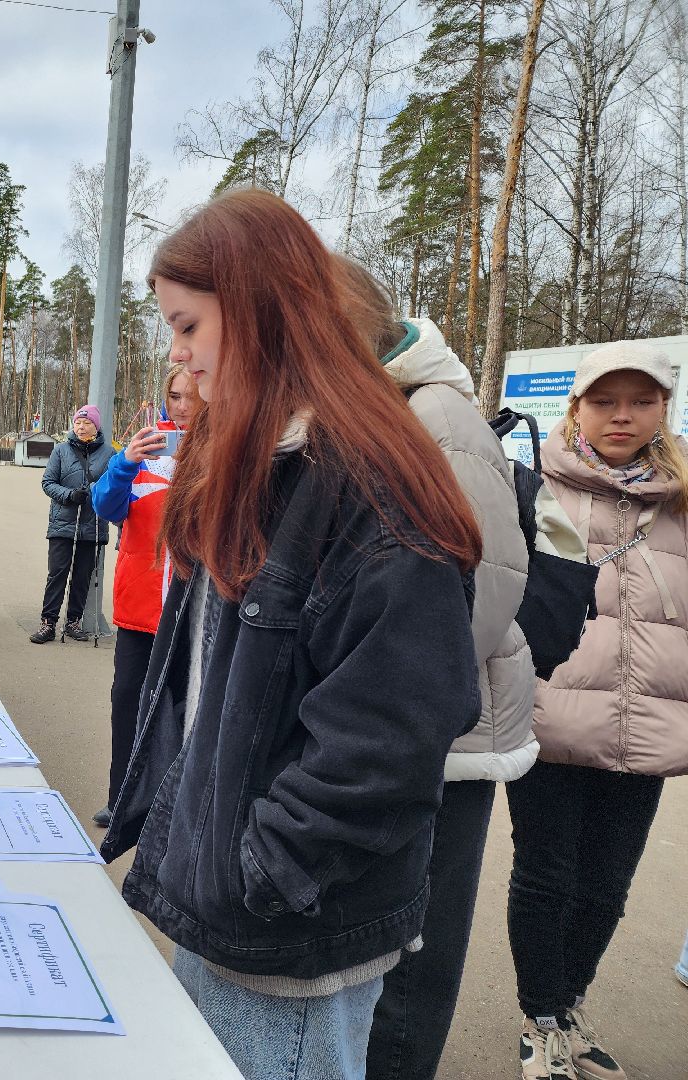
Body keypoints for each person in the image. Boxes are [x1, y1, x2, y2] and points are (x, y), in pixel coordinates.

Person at [101, 189, 483, 1080]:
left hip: (289, 941)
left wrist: (262, 872)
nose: (177, 354)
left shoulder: (369, 488)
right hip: (230, 904)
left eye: (188, 325)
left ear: (261, 311)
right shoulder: (267, 463)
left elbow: (387, 742)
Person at [334, 261, 537, 1080]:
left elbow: (483, 590)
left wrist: (372, 709)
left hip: (443, 739)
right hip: (406, 729)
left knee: (414, 955)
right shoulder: (383, 409)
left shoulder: (438, 417)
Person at [505, 341, 688, 1080]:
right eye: (605, 401)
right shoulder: (535, 487)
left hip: (648, 725)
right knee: (547, 877)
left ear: (663, 410)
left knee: (607, 886)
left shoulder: (682, 498)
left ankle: (568, 1004)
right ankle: (541, 1024)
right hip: (551, 714)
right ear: (576, 407)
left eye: (641, 402)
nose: (622, 416)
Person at [88, 364, 198, 826]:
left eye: (193, 395)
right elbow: (105, 505)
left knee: (185, 708)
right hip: (140, 607)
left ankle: (173, 808)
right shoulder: (146, 450)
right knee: (128, 701)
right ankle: (121, 800)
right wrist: (125, 462)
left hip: (193, 610)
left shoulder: (223, 447)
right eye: (175, 396)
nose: (184, 406)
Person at [30, 404, 112, 644]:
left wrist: (97, 494)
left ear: (96, 426)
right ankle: (48, 623)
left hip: (93, 524)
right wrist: (69, 495)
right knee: (57, 574)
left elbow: (114, 485)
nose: (81, 427)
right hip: (62, 524)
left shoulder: (109, 454)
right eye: (78, 422)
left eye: (87, 423)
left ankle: (73, 622)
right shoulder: (61, 451)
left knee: (82, 577)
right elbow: (48, 482)